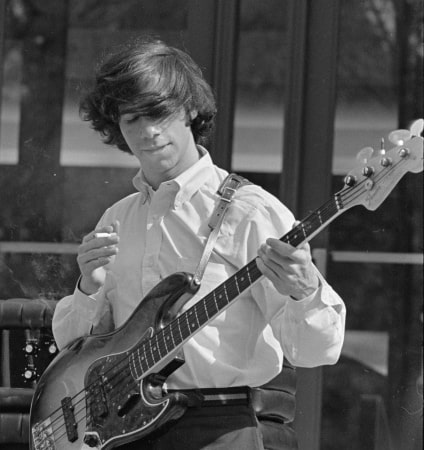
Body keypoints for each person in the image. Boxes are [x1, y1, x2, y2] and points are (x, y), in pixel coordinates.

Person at [52, 37, 346, 449]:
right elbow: (72, 347)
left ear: (190, 109)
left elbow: (317, 350)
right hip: (123, 431)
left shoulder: (252, 211)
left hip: (219, 427)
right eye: (131, 118)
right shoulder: (117, 218)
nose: (148, 131)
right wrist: (87, 288)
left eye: (159, 112)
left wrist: (304, 290)